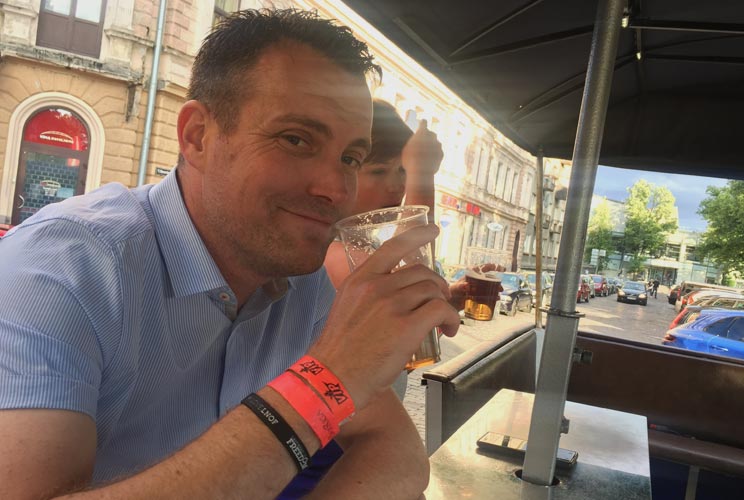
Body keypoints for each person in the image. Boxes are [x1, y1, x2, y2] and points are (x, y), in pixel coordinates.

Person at [0, 9, 460, 499]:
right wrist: (327, 380)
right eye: (296, 139)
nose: (335, 189)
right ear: (197, 135)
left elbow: (393, 445)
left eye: (350, 158)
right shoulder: (61, 269)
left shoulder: (301, 285)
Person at [323, 99, 444, 399]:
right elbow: (406, 278)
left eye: (402, 171)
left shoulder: (364, 245)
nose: (396, 187)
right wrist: (422, 176)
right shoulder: (330, 250)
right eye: (378, 171)